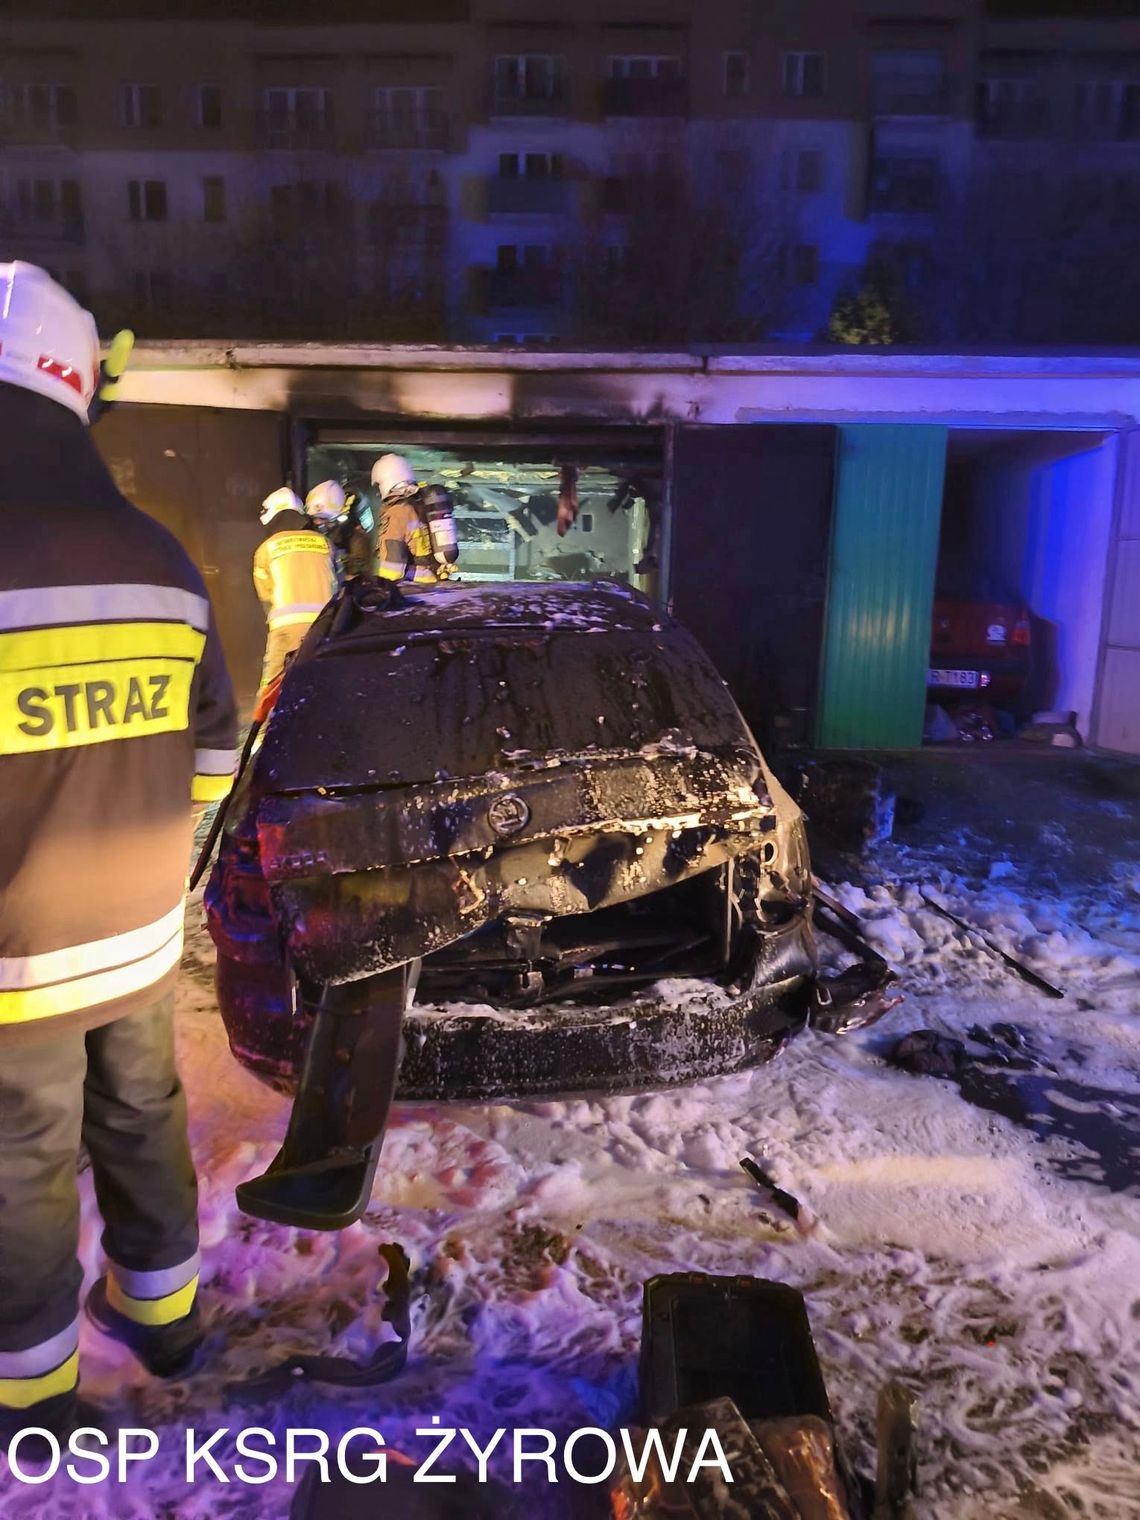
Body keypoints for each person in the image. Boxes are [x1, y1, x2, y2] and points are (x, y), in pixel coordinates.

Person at [0, 262, 238, 1434]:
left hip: (14, 950)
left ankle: (29, 1387)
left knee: (22, 1158)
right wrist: (151, 858)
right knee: (143, 1113)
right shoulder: (159, 555)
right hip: (137, 933)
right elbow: (214, 755)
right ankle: (166, 1315)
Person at [252, 483, 335, 703]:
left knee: (273, 683)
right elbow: (338, 584)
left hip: (285, 628)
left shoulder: (266, 548)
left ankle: (265, 732)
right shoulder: (324, 543)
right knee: (324, 680)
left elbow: (265, 596)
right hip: (324, 626)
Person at [371, 453, 440, 586]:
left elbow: (392, 570)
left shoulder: (397, 513)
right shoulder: (419, 505)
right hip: (429, 580)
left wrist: (382, 589)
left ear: (387, 481)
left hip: (413, 587)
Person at [305, 478, 375, 584]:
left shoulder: (355, 537)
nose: (318, 523)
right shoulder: (307, 529)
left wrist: (339, 559)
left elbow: (361, 568)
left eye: (324, 519)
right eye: (314, 518)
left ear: (340, 516)